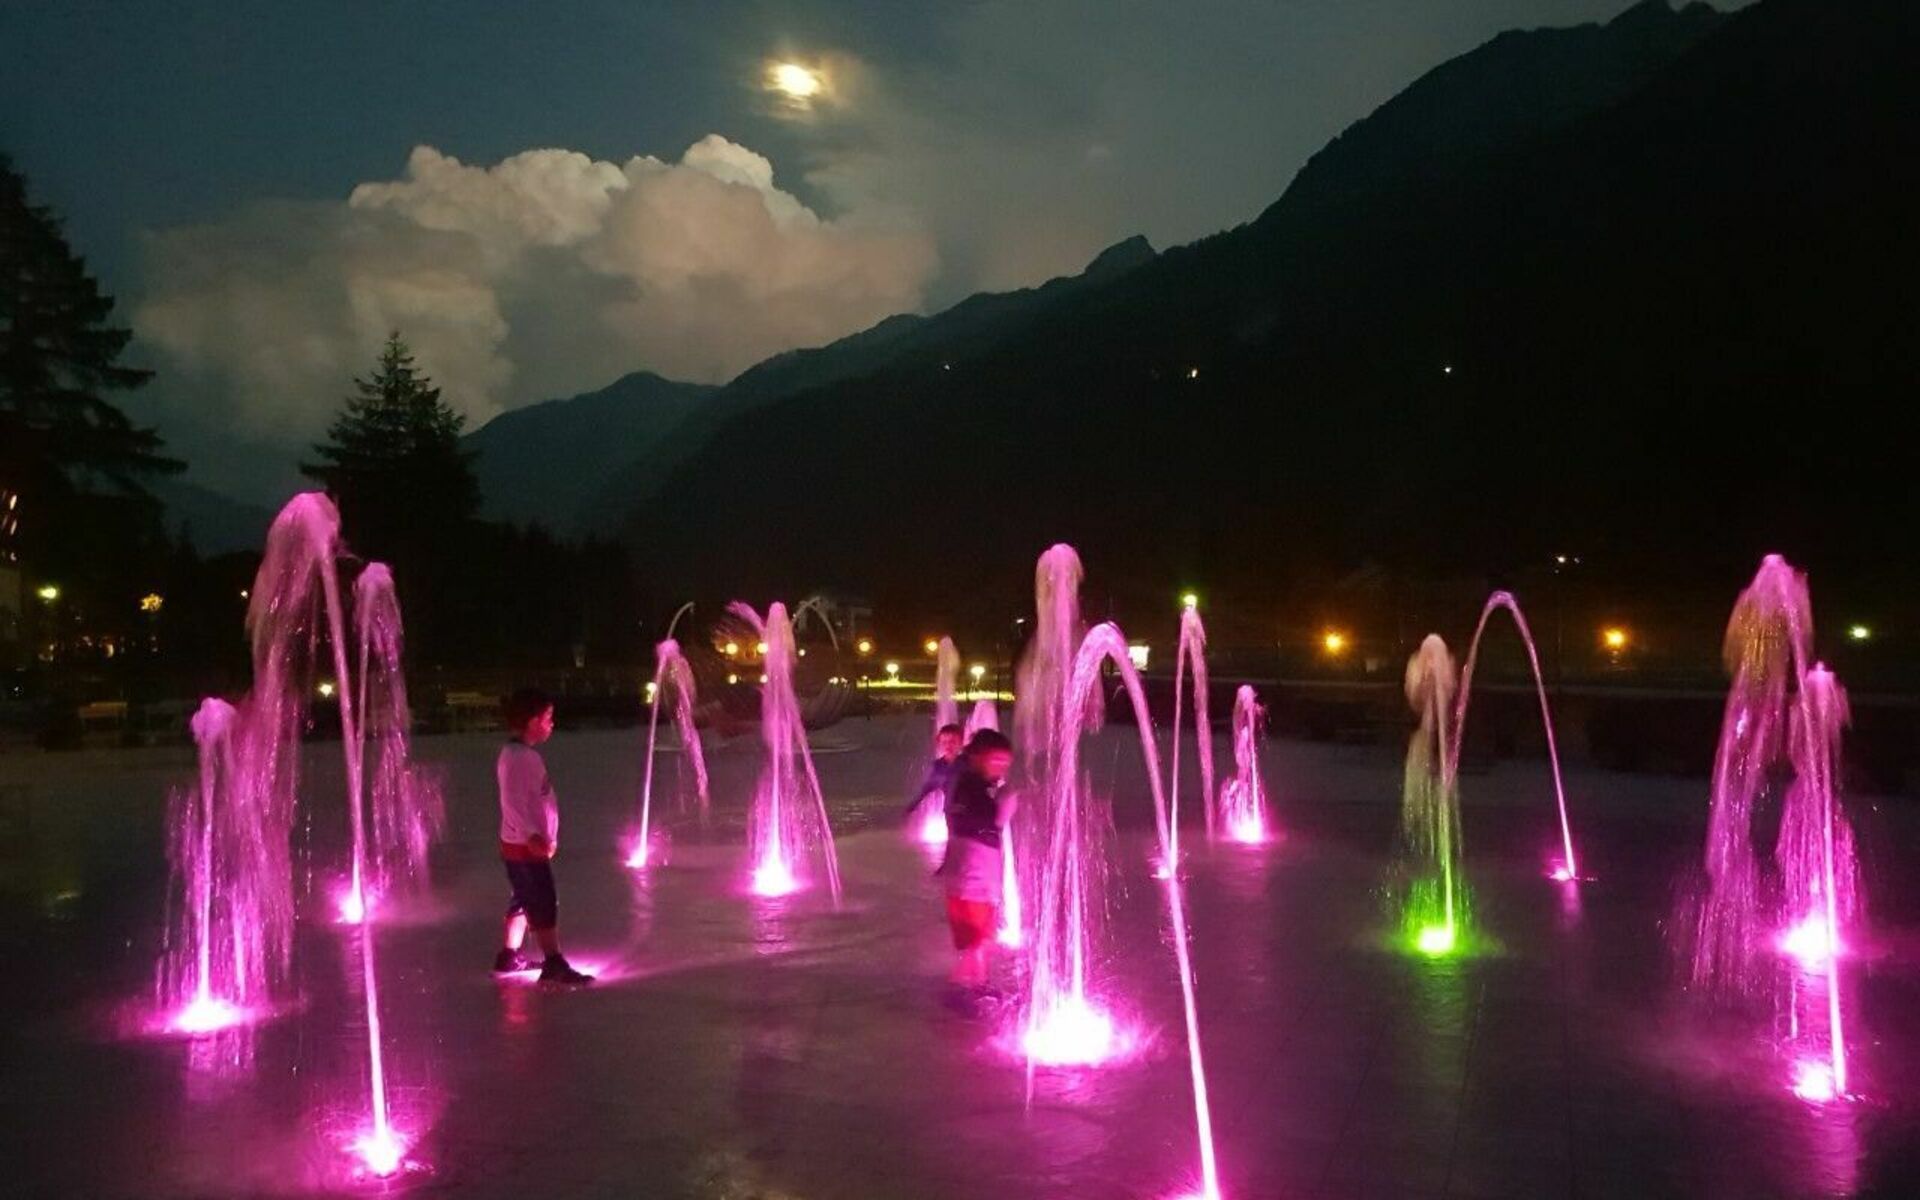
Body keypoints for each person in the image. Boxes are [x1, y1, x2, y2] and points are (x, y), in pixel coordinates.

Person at [494, 687, 593, 985]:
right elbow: (512, 802)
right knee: (542, 899)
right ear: (532, 720)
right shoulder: (518, 757)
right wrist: (532, 836)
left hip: (522, 842)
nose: (552, 723)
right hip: (524, 845)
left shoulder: (521, 755)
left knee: (523, 897)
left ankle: (509, 955)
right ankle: (553, 962)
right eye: (548, 717)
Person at [936, 728, 1018, 1010]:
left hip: (966, 879)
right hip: (974, 881)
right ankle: (960, 988)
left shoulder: (967, 783)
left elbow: (958, 824)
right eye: (996, 761)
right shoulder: (969, 786)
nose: (1002, 768)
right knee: (980, 941)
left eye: (1005, 763)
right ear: (976, 757)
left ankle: (977, 985)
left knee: (977, 941)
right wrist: (1004, 805)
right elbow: (987, 823)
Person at [905, 723, 965, 823]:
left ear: (960, 743)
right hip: (951, 812)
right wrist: (912, 806)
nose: (948, 746)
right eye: (944, 742)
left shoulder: (968, 763)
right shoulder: (938, 767)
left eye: (952, 742)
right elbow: (926, 788)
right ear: (939, 744)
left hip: (969, 811)